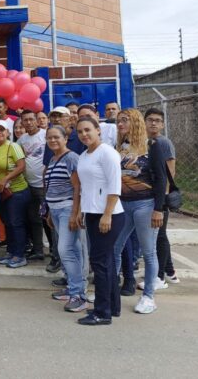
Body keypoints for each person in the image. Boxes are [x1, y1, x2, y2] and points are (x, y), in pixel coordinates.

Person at [72, 116, 124, 326]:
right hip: (92, 214)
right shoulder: (84, 155)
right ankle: (113, 306)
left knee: (99, 263)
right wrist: (81, 212)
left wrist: (107, 214)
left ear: (98, 130)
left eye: (88, 130)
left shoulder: (108, 153)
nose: (84, 134)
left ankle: (102, 313)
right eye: (80, 132)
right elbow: (86, 188)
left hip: (109, 215)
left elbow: (114, 187)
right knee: (106, 262)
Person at [112, 109, 164, 314]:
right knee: (115, 247)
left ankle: (149, 296)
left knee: (149, 252)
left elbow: (161, 180)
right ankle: (109, 291)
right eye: (118, 121)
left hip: (146, 204)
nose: (120, 124)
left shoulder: (152, 146)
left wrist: (158, 209)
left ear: (135, 122)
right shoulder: (120, 147)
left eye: (124, 120)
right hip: (123, 204)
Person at [43, 126, 86, 312]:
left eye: (56, 137)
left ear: (65, 138)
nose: (53, 141)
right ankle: (72, 287)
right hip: (55, 211)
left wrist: (75, 213)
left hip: (67, 209)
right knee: (73, 251)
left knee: (65, 251)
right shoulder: (53, 158)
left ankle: (78, 295)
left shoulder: (71, 158)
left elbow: (78, 188)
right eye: (49, 138)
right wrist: (49, 212)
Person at [145, 108, 179, 285]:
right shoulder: (146, 142)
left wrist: (163, 199)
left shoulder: (163, 142)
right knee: (159, 235)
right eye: (150, 119)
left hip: (160, 197)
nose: (153, 123)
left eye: (157, 120)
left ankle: (159, 277)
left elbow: (170, 172)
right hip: (150, 194)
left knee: (159, 236)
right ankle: (171, 271)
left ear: (163, 124)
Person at [0, 120, 31, 269]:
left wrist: (6, 179)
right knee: (8, 223)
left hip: (17, 191)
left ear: (8, 132)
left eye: (2, 130)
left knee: (16, 223)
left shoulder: (13, 146)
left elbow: (21, 166)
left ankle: (20, 255)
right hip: (2, 193)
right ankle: (11, 252)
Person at [16, 110, 46, 261]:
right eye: (25, 120)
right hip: (29, 185)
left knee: (48, 220)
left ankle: (55, 252)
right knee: (34, 219)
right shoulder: (21, 140)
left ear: (37, 120)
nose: (28, 122)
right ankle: (38, 250)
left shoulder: (46, 135)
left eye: (31, 119)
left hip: (44, 185)